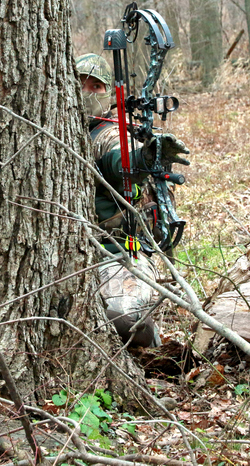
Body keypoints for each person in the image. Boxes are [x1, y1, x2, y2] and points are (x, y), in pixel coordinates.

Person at [75, 53, 190, 348]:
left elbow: (120, 159)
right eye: (81, 84)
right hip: (73, 255)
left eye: (96, 87)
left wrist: (144, 158)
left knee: (124, 318)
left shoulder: (109, 132)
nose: (87, 92)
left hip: (120, 253)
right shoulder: (64, 130)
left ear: (109, 94)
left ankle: (154, 351)